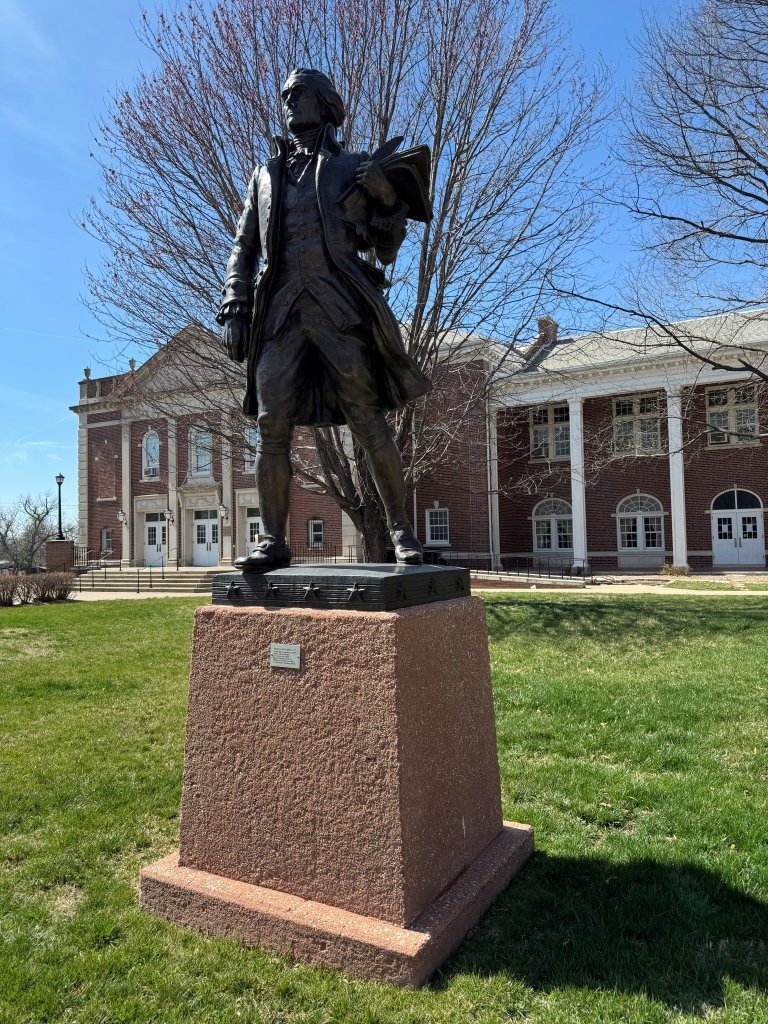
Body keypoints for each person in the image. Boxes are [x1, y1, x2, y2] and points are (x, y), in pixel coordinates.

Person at [217, 68, 431, 568]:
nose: (288, 101)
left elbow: (385, 248)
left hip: (339, 307)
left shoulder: (354, 167)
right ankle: (272, 541)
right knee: (271, 425)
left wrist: (383, 197)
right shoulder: (264, 176)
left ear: (324, 103)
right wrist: (234, 303)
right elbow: (243, 247)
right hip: (279, 313)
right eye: (285, 96)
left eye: (298, 94)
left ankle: (402, 532)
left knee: (367, 420)